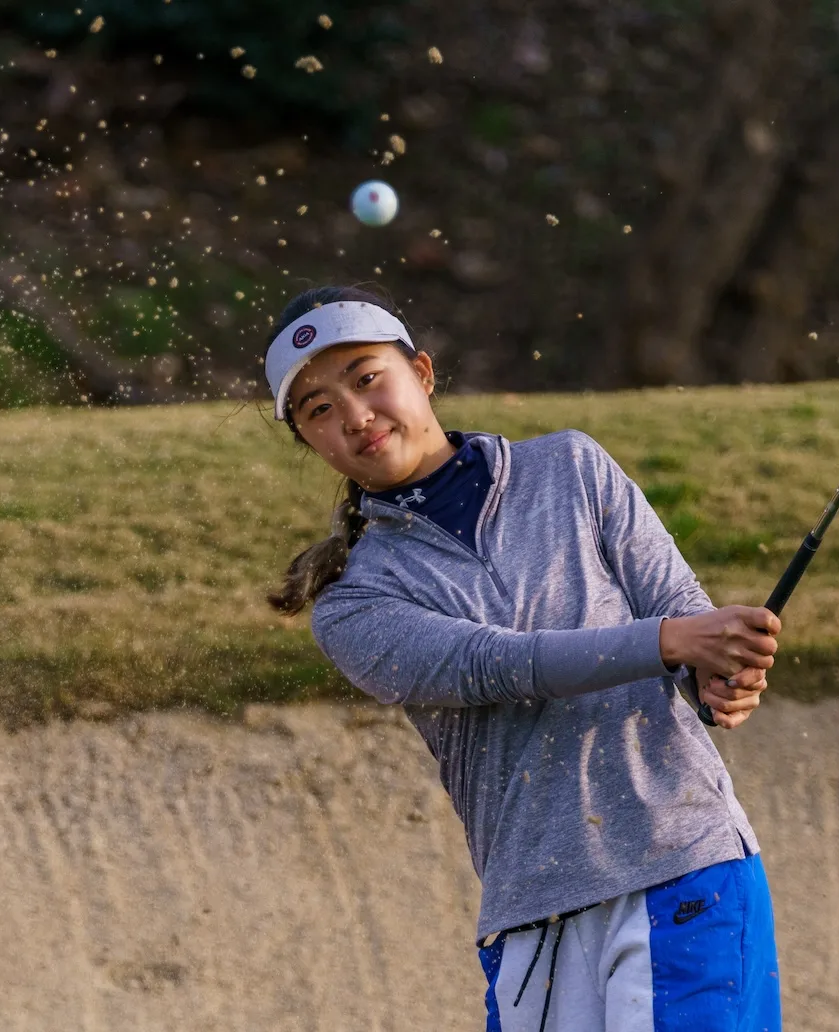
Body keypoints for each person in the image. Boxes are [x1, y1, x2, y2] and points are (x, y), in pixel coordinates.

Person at [265, 285, 784, 1031]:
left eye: (367, 377)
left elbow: (681, 611)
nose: (354, 414)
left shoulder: (572, 468)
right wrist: (669, 642)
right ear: (309, 442)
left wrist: (718, 674)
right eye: (317, 409)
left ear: (423, 372)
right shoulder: (353, 602)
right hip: (535, 917)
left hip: (682, 863)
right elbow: (491, 665)